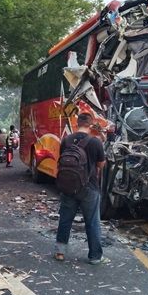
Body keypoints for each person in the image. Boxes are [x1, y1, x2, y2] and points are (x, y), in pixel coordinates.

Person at [54, 113, 108, 265]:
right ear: (91, 125)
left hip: (68, 186)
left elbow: (62, 161)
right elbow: (101, 165)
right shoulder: (95, 142)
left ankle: (60, 252)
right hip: (89, 187)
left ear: (77, 123)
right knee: (92, 222)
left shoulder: (66, 140)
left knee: (65, 219)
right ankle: (95, 257)